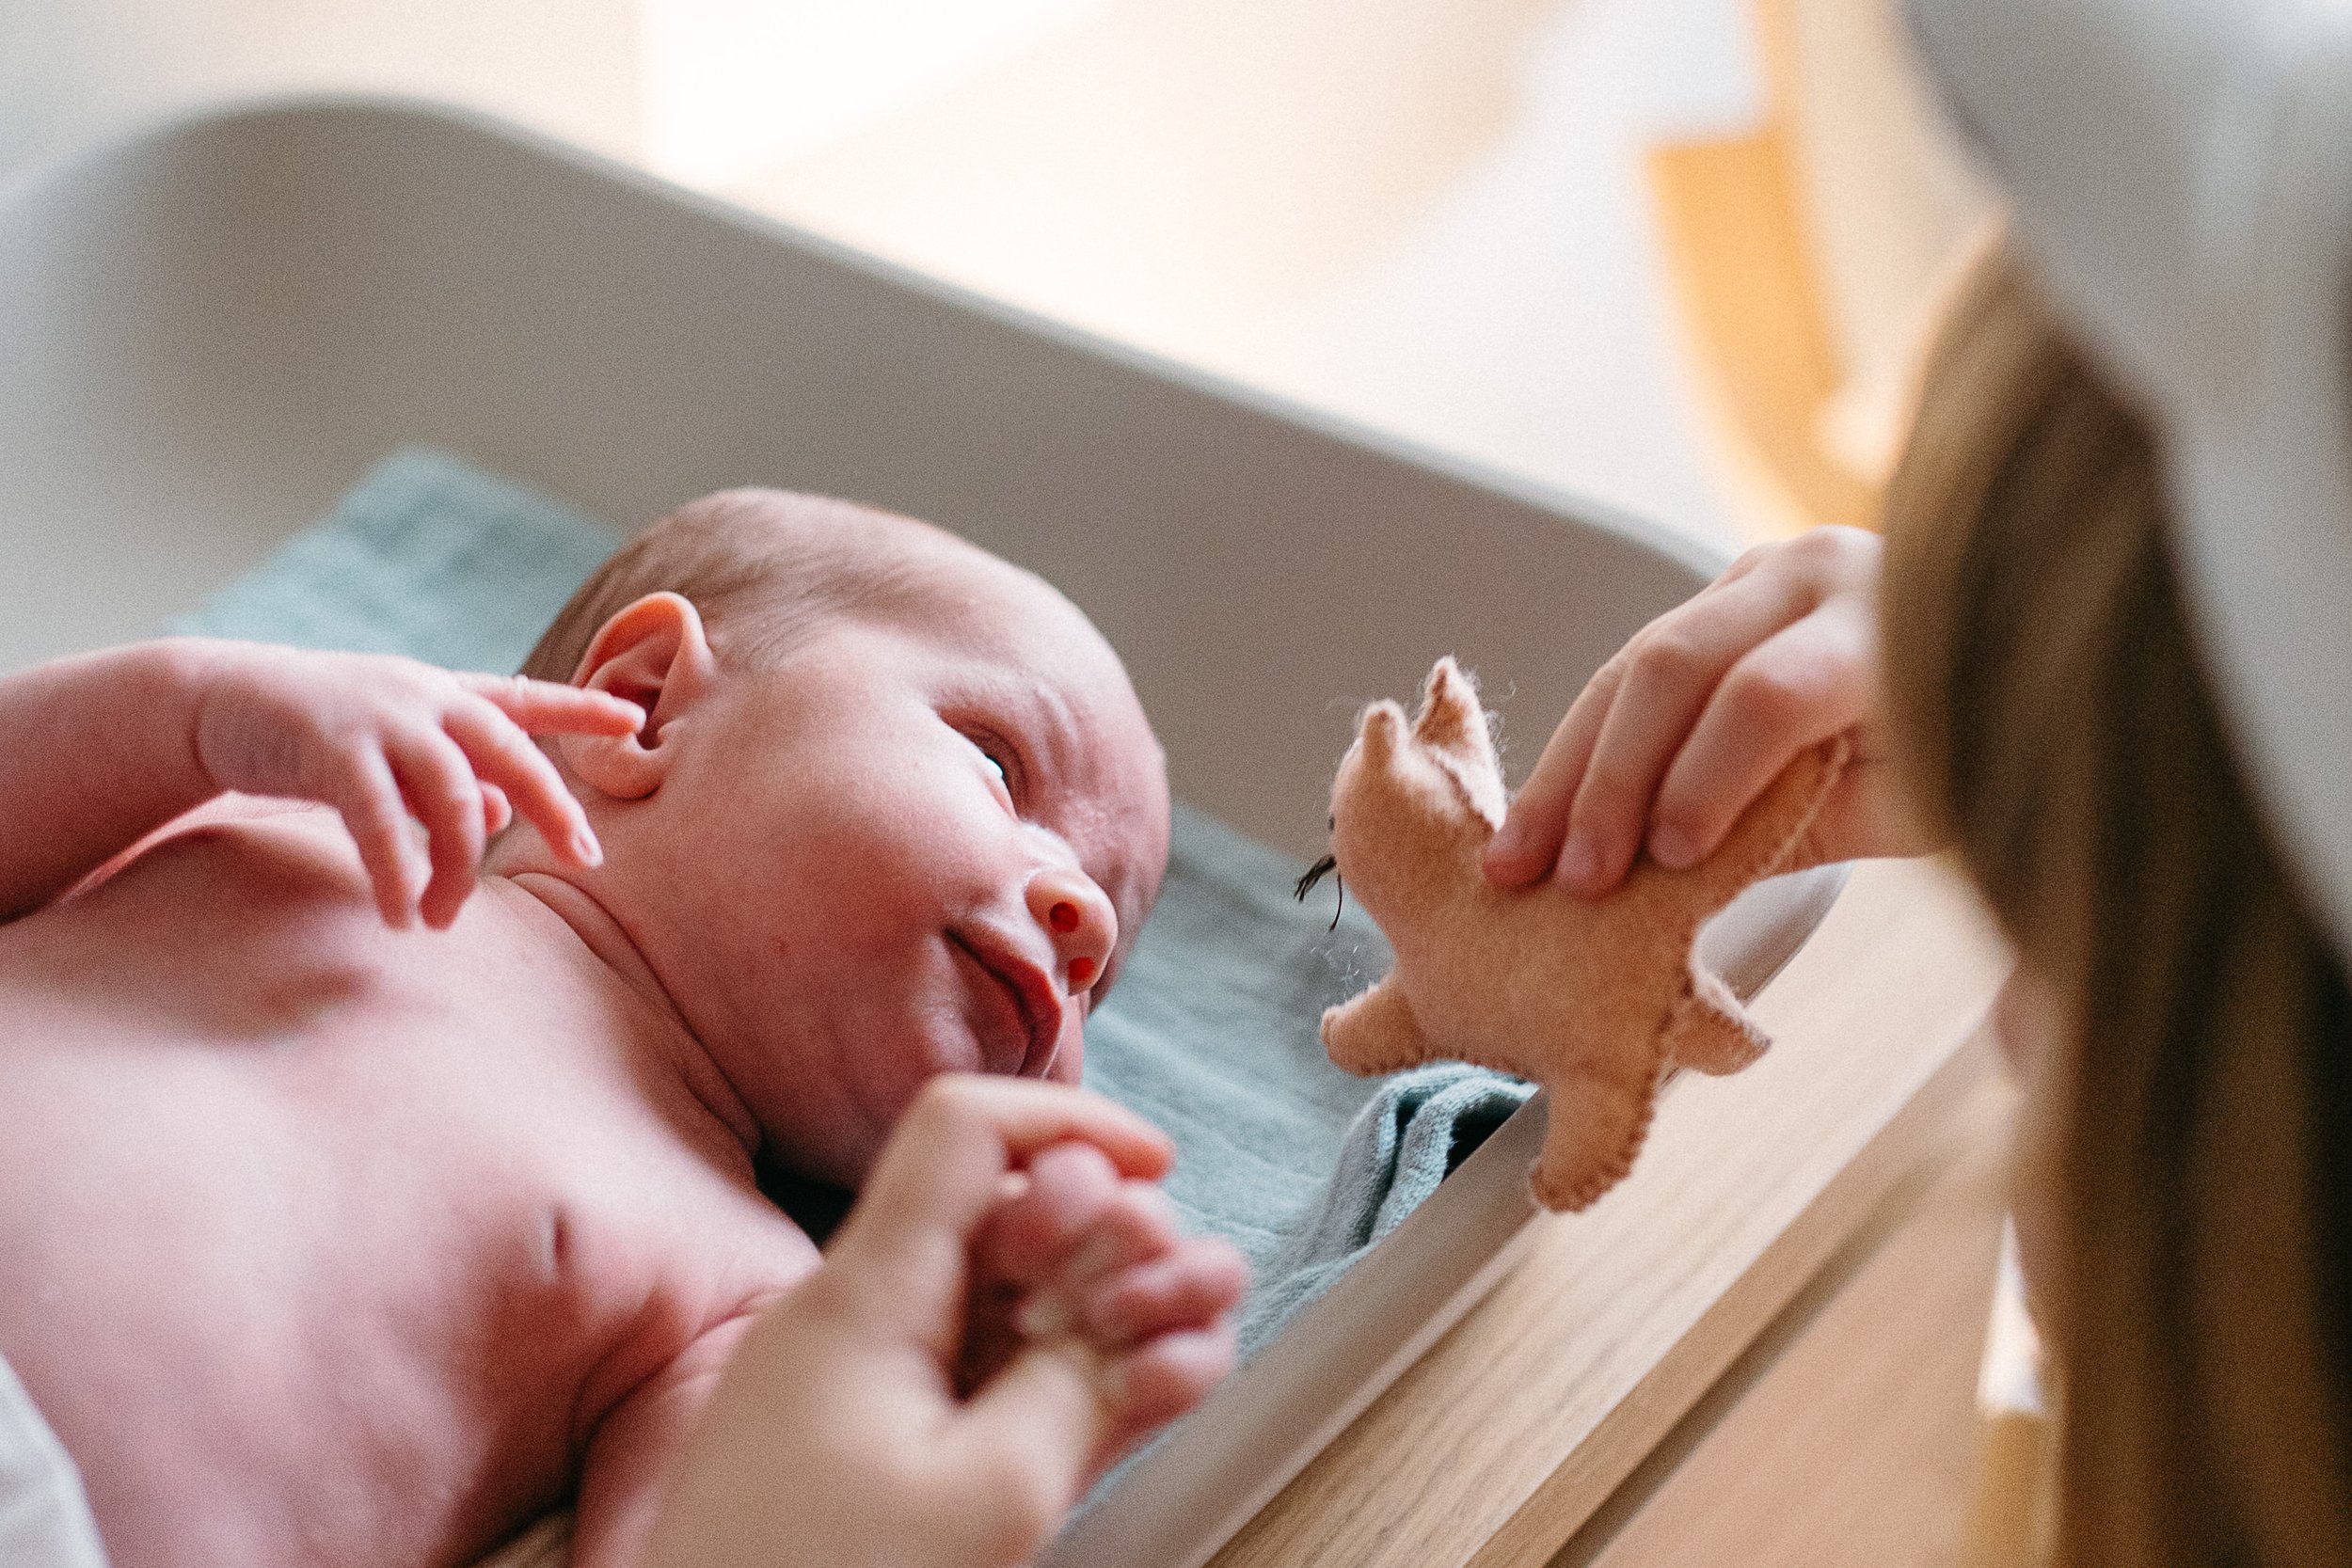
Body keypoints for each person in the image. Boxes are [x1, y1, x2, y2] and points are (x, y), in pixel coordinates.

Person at [0, 487, 1245, 1568]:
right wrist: (186, 708)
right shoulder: (296, 824)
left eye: (1101, 975)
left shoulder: (749, 1294)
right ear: (645, 701)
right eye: (997, 765)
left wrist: (970, 1380)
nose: (1078, 916)